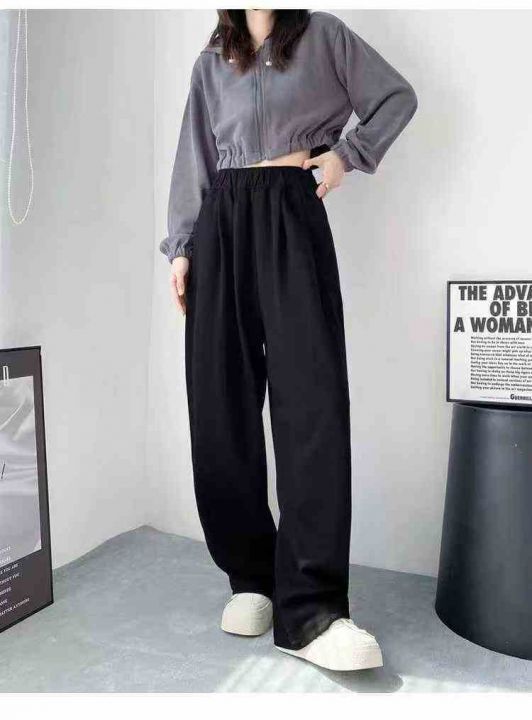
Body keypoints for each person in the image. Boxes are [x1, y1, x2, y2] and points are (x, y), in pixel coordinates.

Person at [160, 9, 417, 672]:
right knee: (220, 407)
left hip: (291, 210)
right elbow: (194, 156)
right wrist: (181, 247)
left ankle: (313, 608)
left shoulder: (325, 37)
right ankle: (251, 577)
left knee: (312, 404)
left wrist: (346, 157)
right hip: (220, 222)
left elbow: (396, 97)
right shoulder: (211, 59)